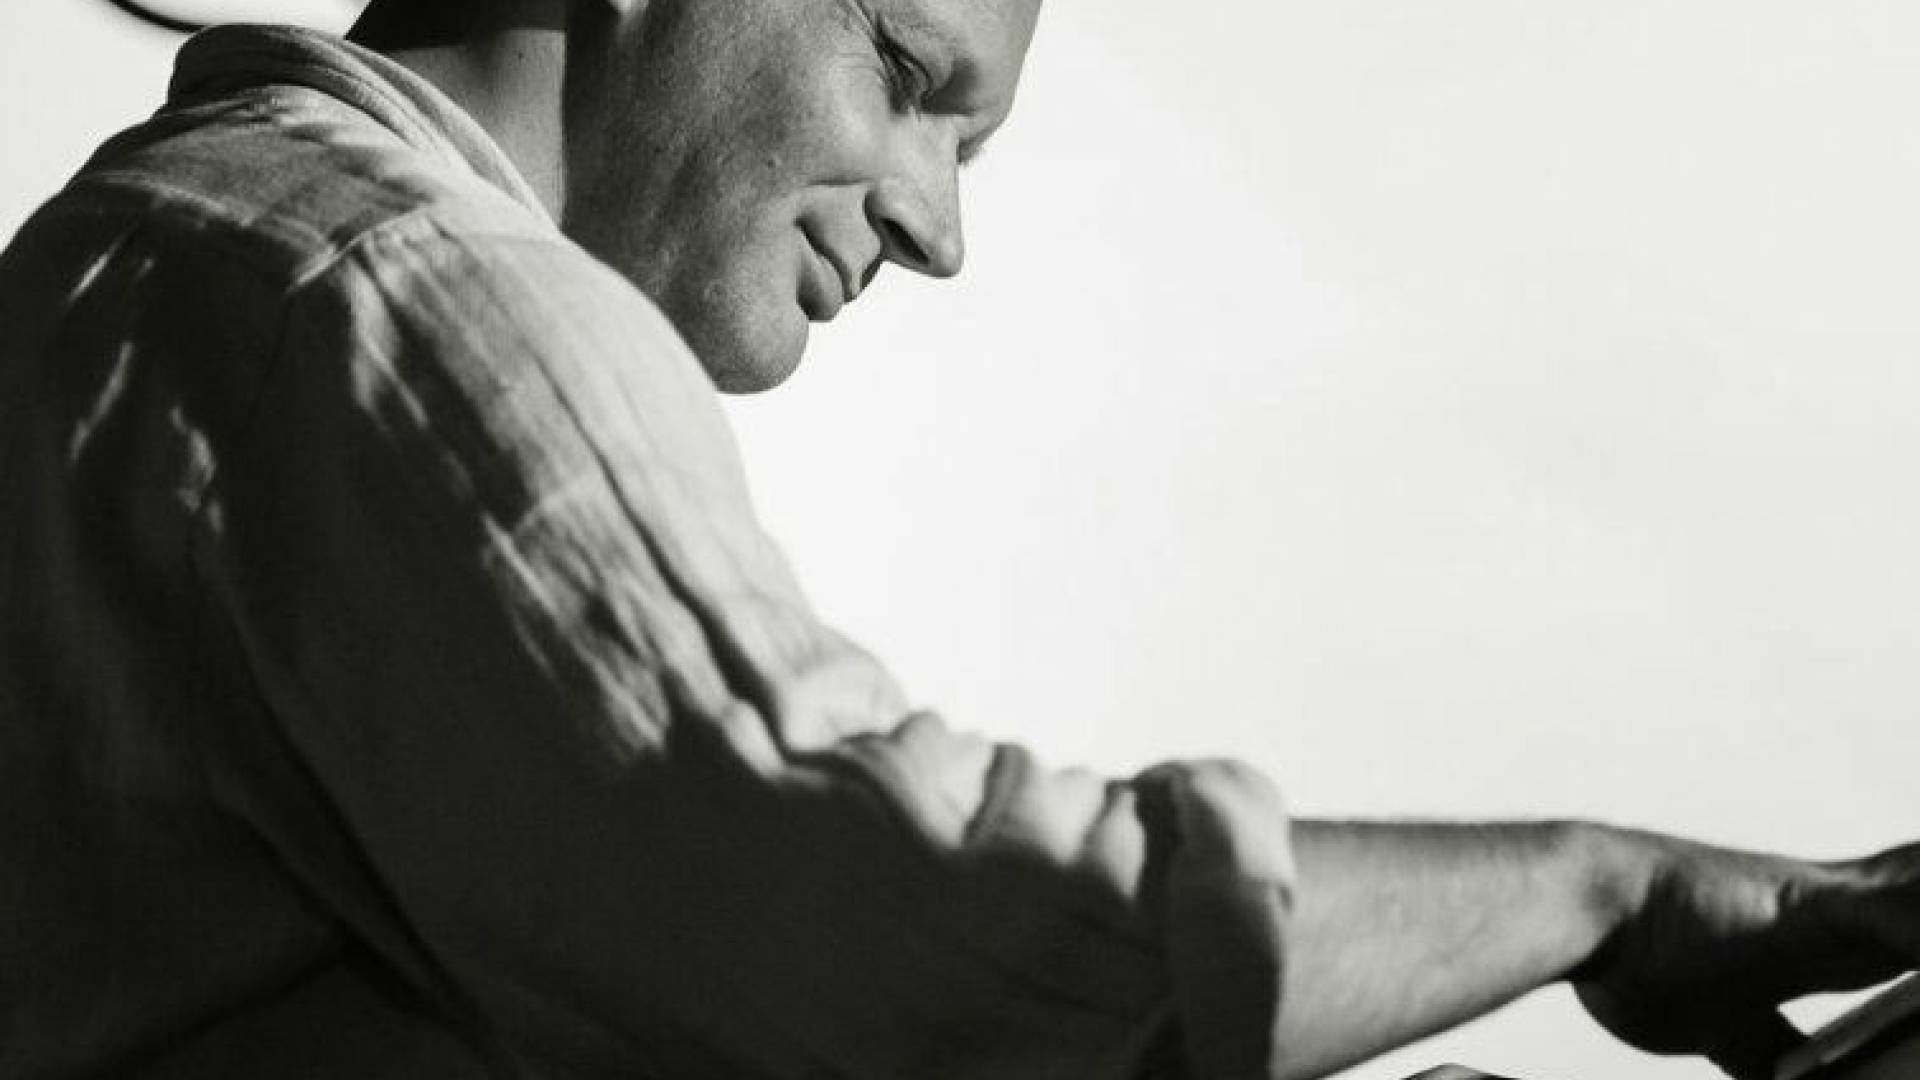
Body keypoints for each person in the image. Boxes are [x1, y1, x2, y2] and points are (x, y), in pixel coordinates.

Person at [0, 1, 1913, 1077]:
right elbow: (873, 926)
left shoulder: (144, 260)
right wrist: (1591, 889)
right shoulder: (393, 288)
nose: (936, 226)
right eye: (911, 77)